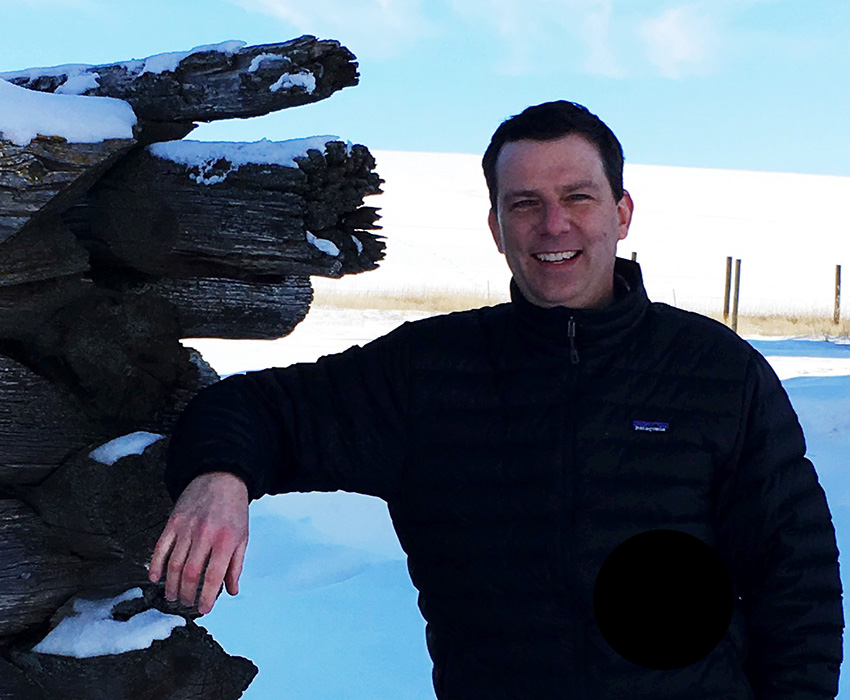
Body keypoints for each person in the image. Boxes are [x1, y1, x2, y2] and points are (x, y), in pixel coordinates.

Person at [149, 101, 843, 698]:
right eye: (525, 204)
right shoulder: (427, 372)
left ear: (622, 212)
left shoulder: (717, 372)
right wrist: (221, 476)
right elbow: (254, 408)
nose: (553, 226)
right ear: (496, 227)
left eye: (578, 197)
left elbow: (797, 578)